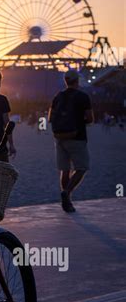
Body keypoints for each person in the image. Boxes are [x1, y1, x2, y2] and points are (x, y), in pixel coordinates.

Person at [48, 69, 93, 213]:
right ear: (77, 81)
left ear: (65, 81)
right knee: (81, 167)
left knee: (64, 169)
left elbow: (50, 118)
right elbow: (90, 118)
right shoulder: (83, 97)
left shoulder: (58, 96)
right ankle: (67, 193)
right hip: (77, 137)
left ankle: (67, 201)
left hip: (59, 137)